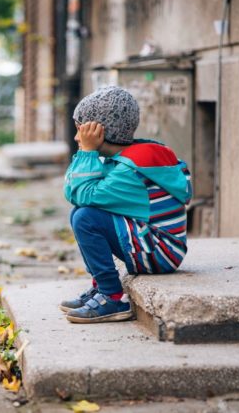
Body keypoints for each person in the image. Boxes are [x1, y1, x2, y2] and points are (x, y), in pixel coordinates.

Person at [61, 86, 192, 324]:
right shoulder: (127, 160)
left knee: (85, 217)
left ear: (98, 130)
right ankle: (100, 286)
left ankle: (112, 297)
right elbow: (77, 193)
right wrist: (88, 154)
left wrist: (86, 153)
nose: (76, 138)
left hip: (160, 252)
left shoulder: (129, 171)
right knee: (80, 214)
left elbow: (79, 192)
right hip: (158, 245)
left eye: (80, 130)